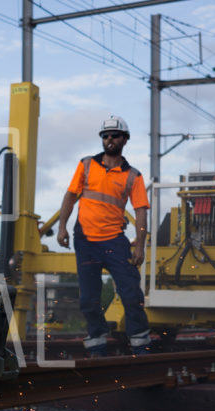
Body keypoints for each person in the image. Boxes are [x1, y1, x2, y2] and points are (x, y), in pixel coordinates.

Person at [56, 115, 151, 358]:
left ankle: (140, 343)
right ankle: (97, 345)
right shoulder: (86, 164)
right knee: (89, 298)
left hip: (114, 241)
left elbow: (140, 212)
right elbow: (70, 196)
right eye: (105, 136)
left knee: (131, 292)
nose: (109, 139)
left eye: (115, 136)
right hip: (86, 241)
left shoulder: (133, 175)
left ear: (125, 140)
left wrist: (140, 245)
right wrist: (62, 226)